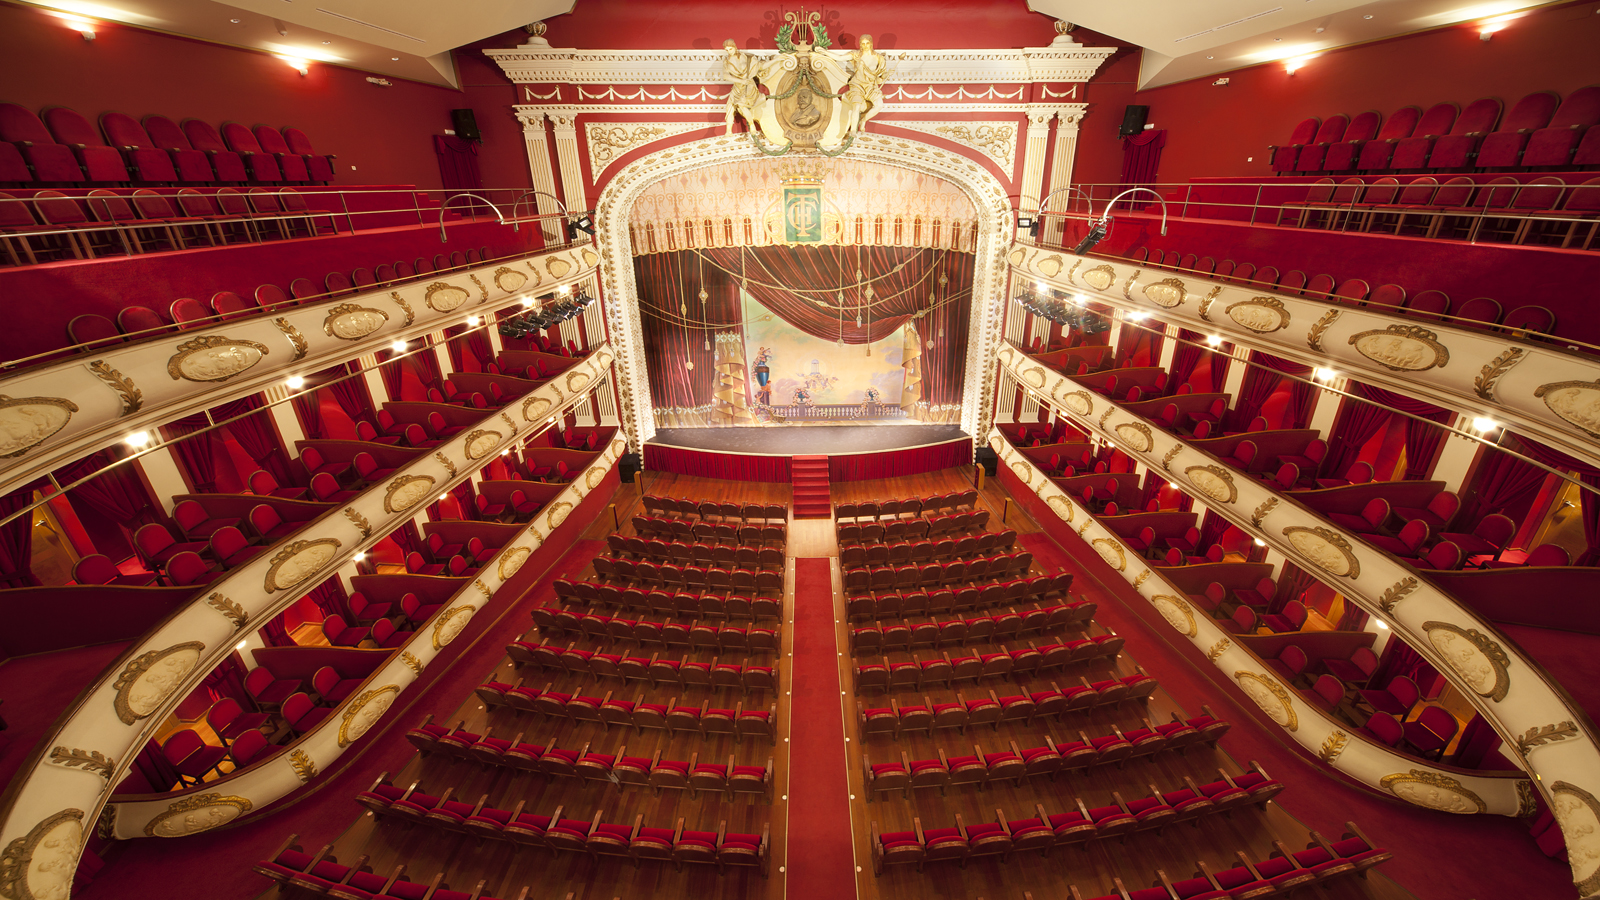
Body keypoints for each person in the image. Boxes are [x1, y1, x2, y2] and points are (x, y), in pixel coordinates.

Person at [722, 40, 763, 135]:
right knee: (729, 107)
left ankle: (752, 126)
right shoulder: (726, 61)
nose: (729, 51)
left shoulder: (747, 58)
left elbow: (759, 66)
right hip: (737, 86)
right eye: (727, 50)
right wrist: (741, 81)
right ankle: (728, 130)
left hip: (748, 86)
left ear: (735, 47)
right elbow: (726, 76)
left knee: (742, 106)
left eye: (730, 49)